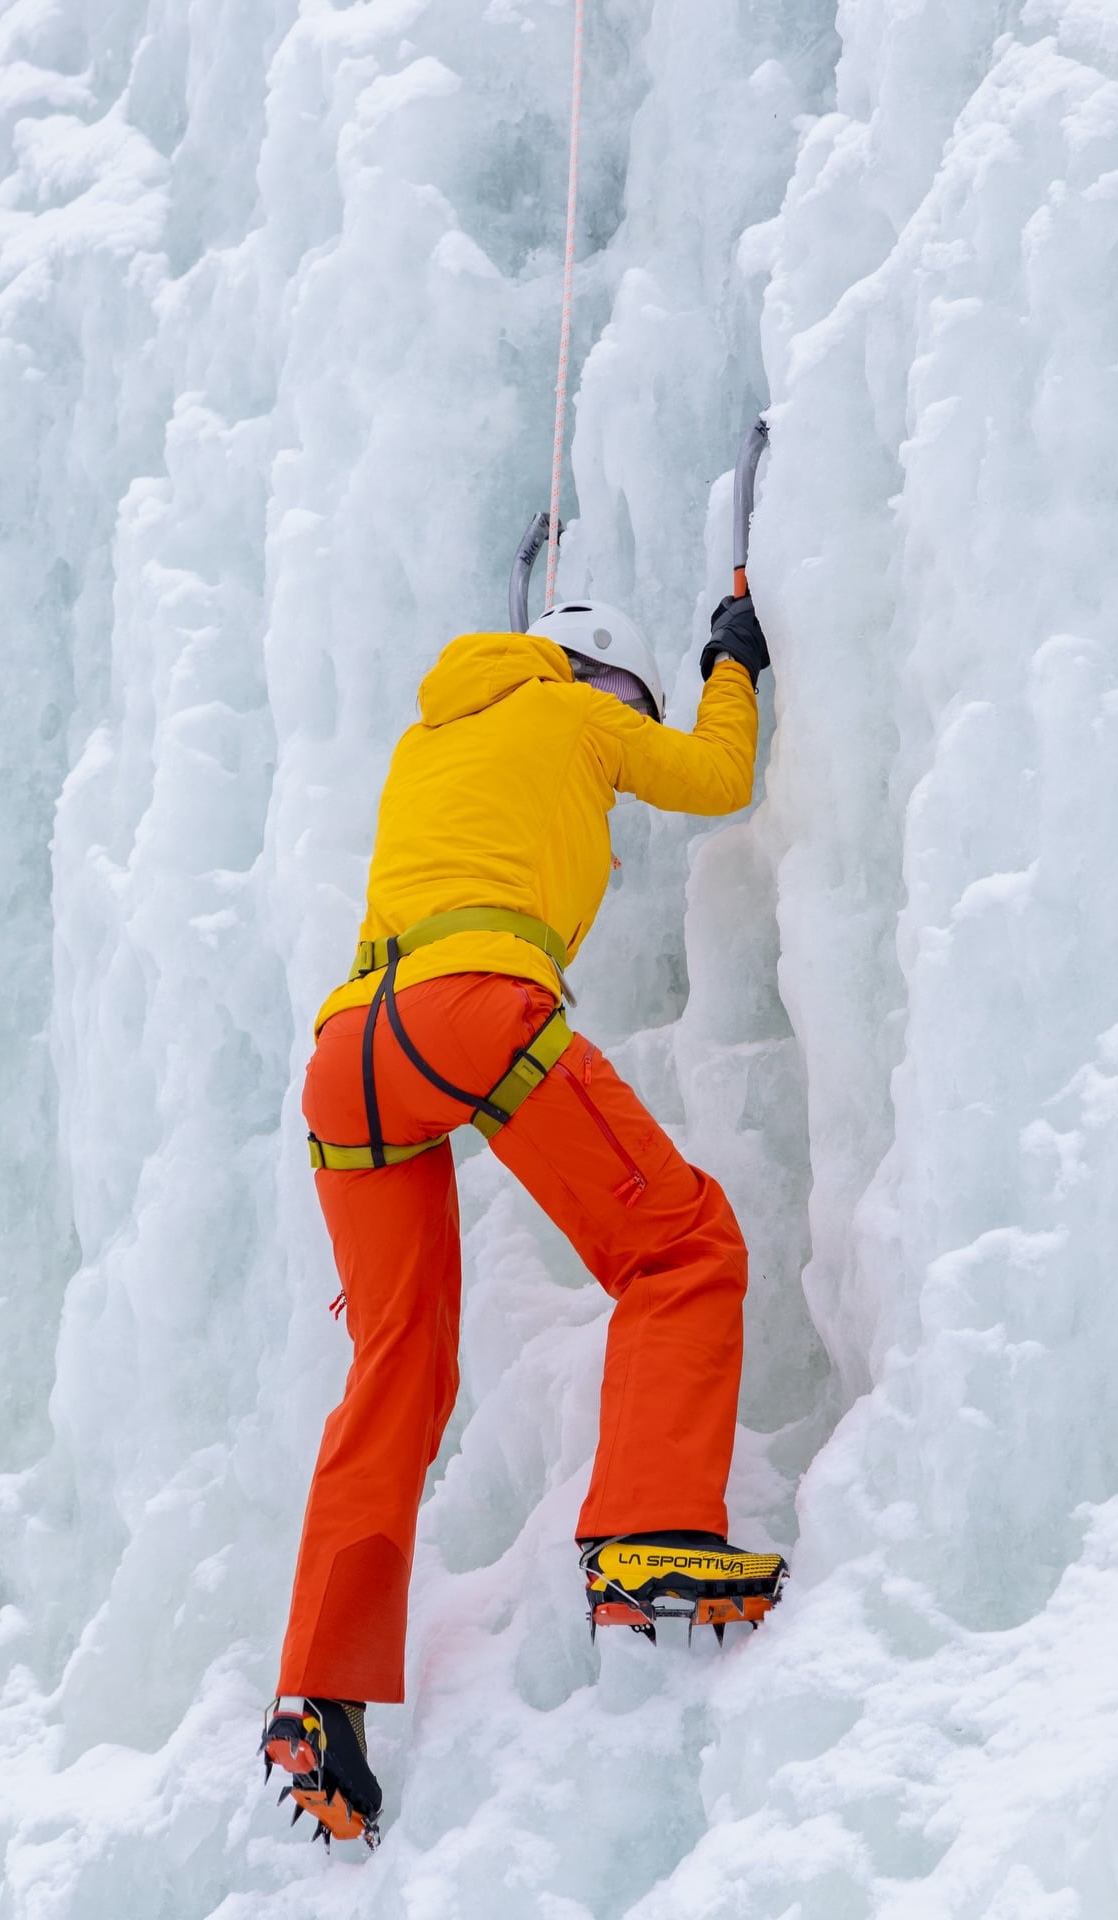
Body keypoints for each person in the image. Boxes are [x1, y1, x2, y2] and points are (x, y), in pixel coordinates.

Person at [261, 592, 784, 1847]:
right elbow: (716, 778)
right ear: (600, 678)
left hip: (350, 1052)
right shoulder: (580, 717)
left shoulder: (431, 734)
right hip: (473, 1011)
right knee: (681, 1247)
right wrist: (730, 664)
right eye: (632, 702)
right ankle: (653, 1534)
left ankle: (318, 1699)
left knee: (396, 1369)